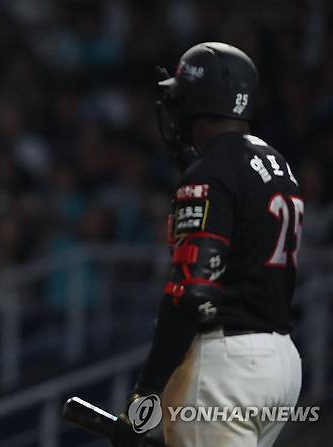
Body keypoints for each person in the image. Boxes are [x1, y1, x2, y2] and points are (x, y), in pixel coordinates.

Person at [126, 42, 303, 446]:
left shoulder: (208, 174)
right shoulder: (275, 162)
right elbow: (237, 212)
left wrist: (145, 395)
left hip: (225, 368)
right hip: (280, 365)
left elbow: (192, 291)